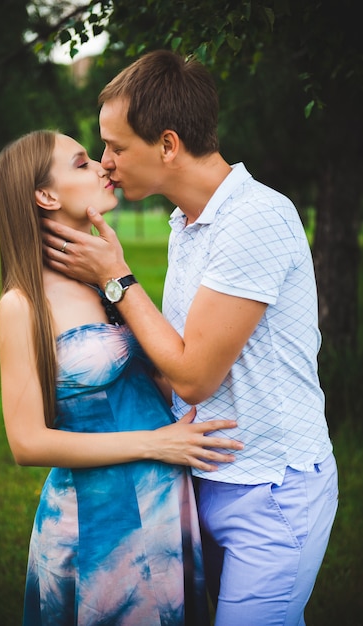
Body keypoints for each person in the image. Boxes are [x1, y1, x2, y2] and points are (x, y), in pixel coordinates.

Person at [41, 50, 339, 626]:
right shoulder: (188, 223)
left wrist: (116, 278)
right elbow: (172, 353)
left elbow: (196, 373)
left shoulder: (254, 219)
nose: (105, 163)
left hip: (269, 489)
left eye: (116, 147)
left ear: (169, 145)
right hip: (202, 477)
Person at [0, 129, 244, 626]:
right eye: (82, 163)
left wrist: (117, 275)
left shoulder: (102, 275)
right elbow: (27, 443)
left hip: (165, 503)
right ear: (45, 195)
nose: (104, 167)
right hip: (97, 520)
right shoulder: (21, 304)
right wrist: (155, 444)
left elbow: (164, 377)